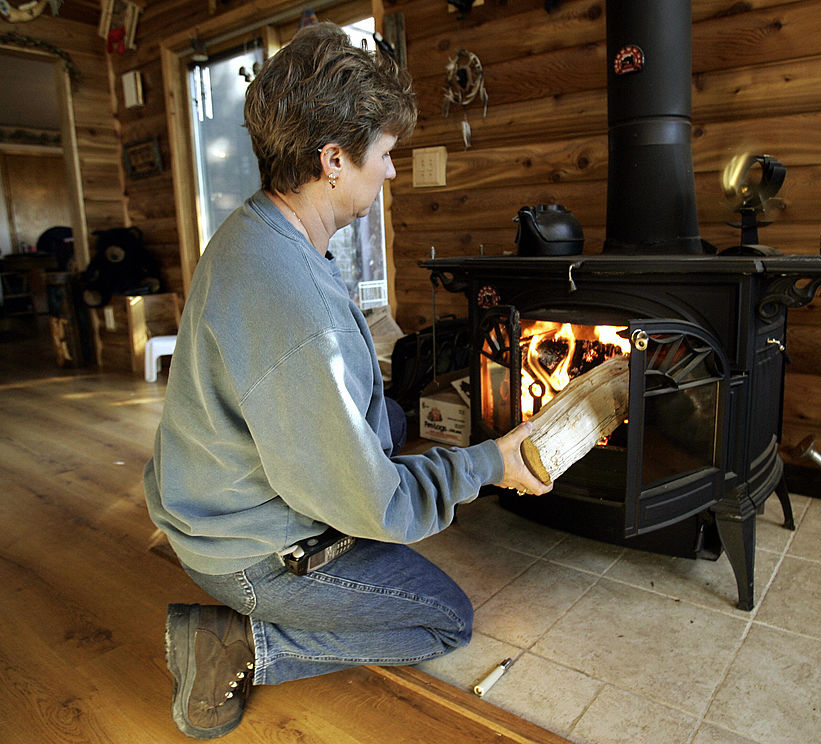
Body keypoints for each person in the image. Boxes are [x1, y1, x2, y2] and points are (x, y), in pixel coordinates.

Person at [143, 22, 550, 740]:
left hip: (211, 505)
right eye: (386, 154)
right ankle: (240, 641)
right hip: (252, 555)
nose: (391, 171)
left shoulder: (256, 231)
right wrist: (493, 465)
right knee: (444, 619)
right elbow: (374, 503)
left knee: (391, 423)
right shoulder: (298, 308)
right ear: (333, 159)